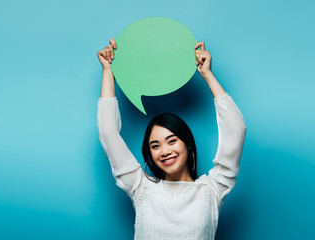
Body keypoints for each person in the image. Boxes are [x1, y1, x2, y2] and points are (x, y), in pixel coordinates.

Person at [97, 38, 246, 239]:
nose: (165, 150)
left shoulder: (212, 190)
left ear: (189, 146)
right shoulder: (141, 188)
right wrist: (108, 72)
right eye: (155, 145)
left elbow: (236, 129)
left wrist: (207, 74)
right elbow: (108, 134)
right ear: (150, 154)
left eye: (172, 140)